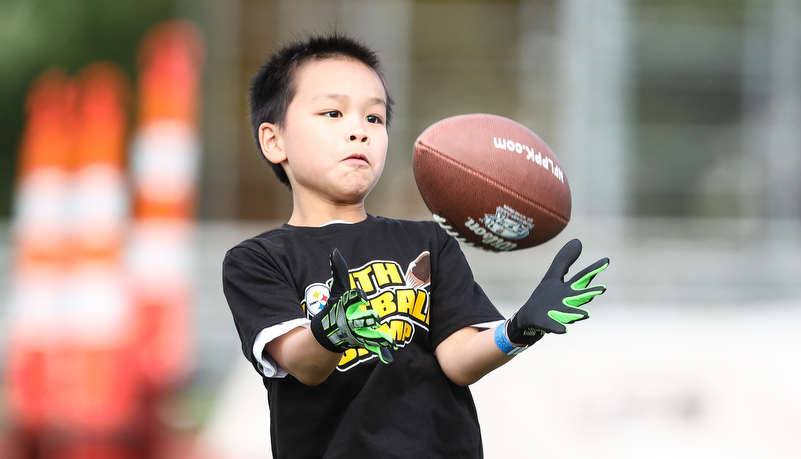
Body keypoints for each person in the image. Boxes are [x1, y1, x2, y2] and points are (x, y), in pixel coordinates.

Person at [222, 32, 610, 458]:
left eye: (374, 119)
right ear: (273, 141)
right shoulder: (256, 260)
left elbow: (458, 361)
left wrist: (517, 330)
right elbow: (303, 364)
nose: (359, 131)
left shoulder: (428, 241)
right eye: (333, 113)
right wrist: (333, 330)